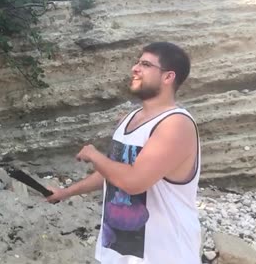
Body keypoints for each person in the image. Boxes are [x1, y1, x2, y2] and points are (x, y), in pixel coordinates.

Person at [46, 42, 201, 264]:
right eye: (137, 62)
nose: (135, 68)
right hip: (119, 253)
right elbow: (113, 172)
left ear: (168, 77)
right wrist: (65, 192)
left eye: (145, 64)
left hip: (165, 255)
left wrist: (94, 155)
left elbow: (133, 181)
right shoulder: (130, 118)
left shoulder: (176, 125)